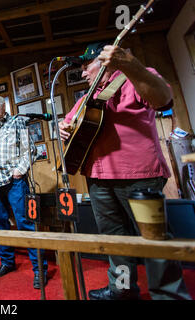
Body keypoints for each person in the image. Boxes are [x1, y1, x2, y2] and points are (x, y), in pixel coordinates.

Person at [58, 42, 191, 300]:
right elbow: (68, 121)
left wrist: (131, 65)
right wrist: (63, 128)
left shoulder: (135, 77)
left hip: (138, 175)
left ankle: (168, 295)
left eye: (87, 67)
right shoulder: (88, 98)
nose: (83, 73)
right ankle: (123, 289)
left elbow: (163, 99)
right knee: (115, 241)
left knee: (155, 241)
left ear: (105, 62)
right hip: (97, 178)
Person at [0, 95, 48, 289]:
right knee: (0, 224)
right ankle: (7, 262)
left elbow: (32, 150)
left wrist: (21, 170)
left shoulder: (17, 122)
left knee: (25, 223)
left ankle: (39, 270)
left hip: (13, 181)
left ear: (3, 106)